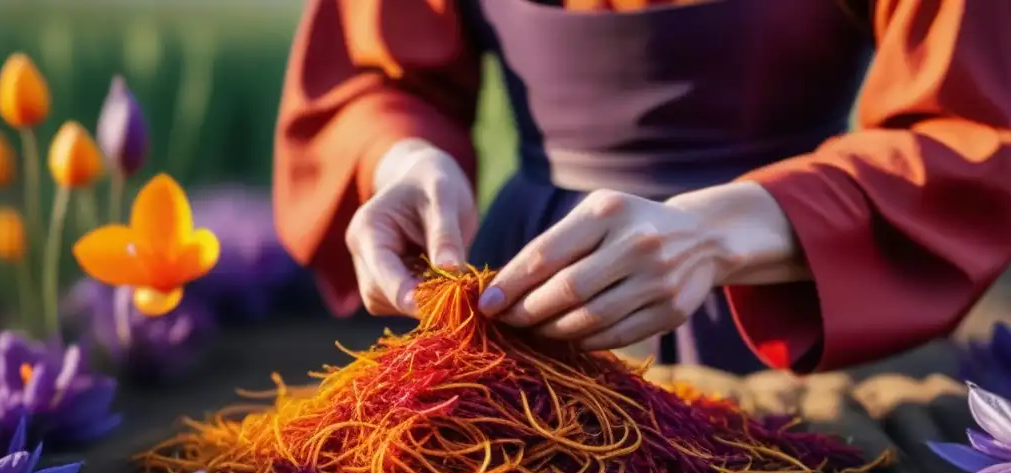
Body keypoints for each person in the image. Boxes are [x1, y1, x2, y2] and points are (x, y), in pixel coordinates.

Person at [272, 0, 1011, 375]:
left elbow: (973, 130)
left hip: (799, 304)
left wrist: (721, 232)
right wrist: (404, 163)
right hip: (515, 313)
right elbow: (375, 74)